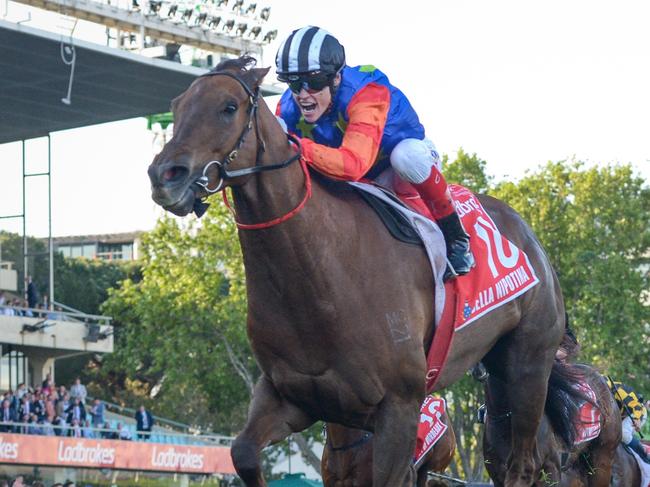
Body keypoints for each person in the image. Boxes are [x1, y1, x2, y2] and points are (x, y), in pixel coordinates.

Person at [275, 26, 474, 280]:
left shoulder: (367, 93)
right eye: (293, 82)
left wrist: (295, 145)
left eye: (313, 82)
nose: (303, 94)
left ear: (335, 78)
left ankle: (456, 238)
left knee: (407, 157)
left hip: (397, 167)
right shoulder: (289, 104)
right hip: (356, 178)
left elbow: (351, 165)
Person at [607, 377, 649, 463]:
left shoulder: (619, 390)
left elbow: (637, 406)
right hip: (621, 417)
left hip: (638, 412)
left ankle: (645, 456)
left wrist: (637, 419)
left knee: (624, 433)